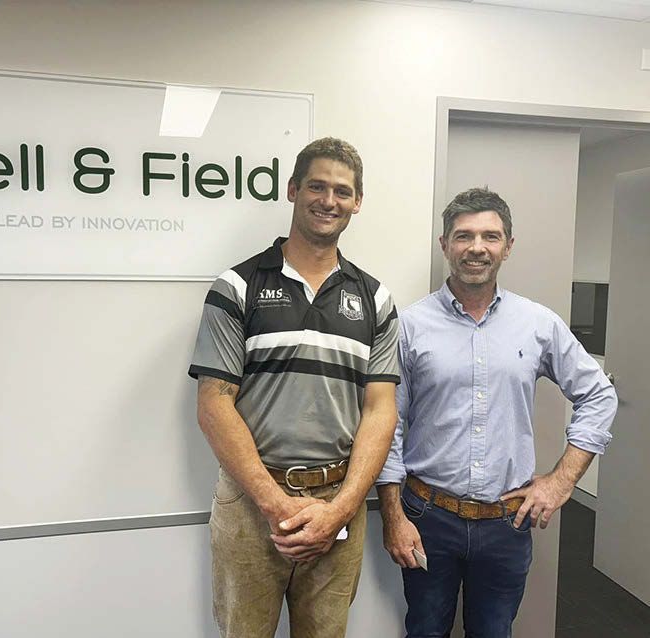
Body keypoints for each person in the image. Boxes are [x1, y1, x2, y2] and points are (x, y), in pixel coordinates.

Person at [376, 187, 618, 638]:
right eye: (464, 236)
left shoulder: (538, 323)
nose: (477, 247)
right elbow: (386, 425)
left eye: (490, 236)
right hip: (428, 517)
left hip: (506, 523)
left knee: (493, 632)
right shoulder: (409, 326)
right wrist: (393, 517)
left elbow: (599, 394)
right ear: (445, 244)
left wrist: (561, 481)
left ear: (508, 246)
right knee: (424, 631)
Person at [188, 137, 400, 638]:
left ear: (357, 202)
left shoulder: (375, 300)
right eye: (317, 186)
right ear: (292, 190)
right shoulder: (237, 287)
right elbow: (215, 404)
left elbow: (380, 410)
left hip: (339, 501)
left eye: (342, 191)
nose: (329, 200)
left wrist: (341, 510)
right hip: (250, 502)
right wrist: (274, 503)